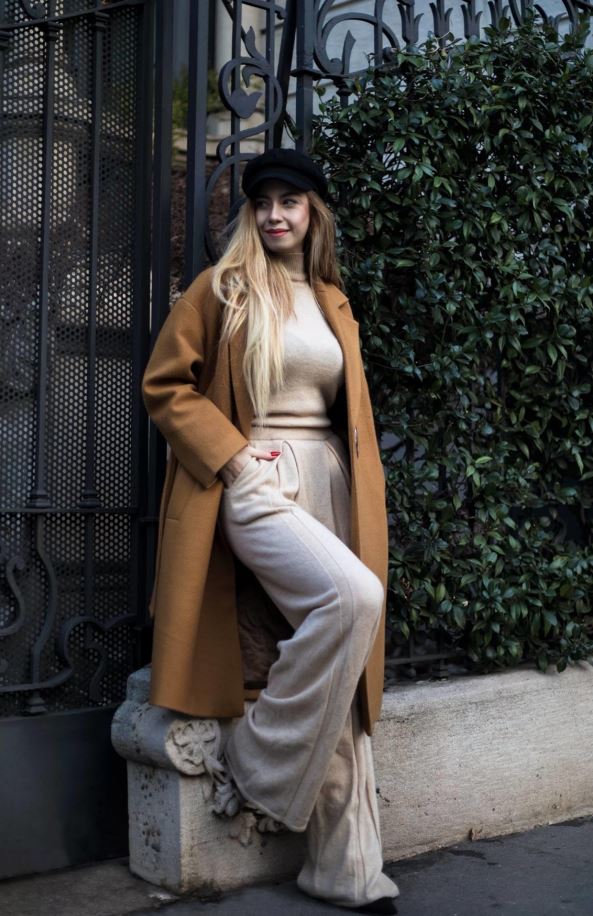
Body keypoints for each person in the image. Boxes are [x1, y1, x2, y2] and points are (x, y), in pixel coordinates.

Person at [142, 148, 399, 915]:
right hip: (257, 478)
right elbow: (165, 385)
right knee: (353, 599)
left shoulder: (333, 301)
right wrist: (229, 458)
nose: (275, 214)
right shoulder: (221, 289)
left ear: (314, 212)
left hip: (332, 484)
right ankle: (254, 757)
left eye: (290, 201)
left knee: (342, 678)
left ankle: (346, 872)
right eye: (263, 202)